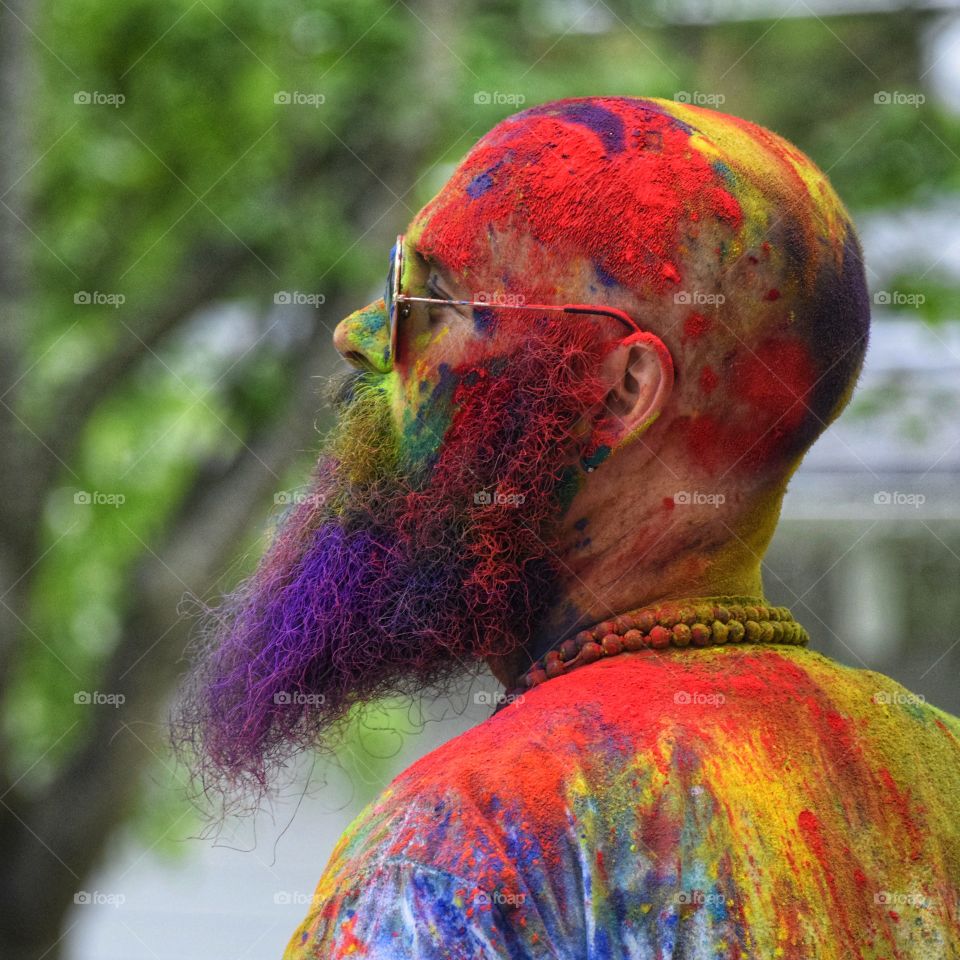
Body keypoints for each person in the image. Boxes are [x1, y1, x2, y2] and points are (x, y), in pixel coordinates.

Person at [176, 96, 960, 958]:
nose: (362, 334)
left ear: (620, 392)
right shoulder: (938, 771)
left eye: (430, 296)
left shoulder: (458, 854)